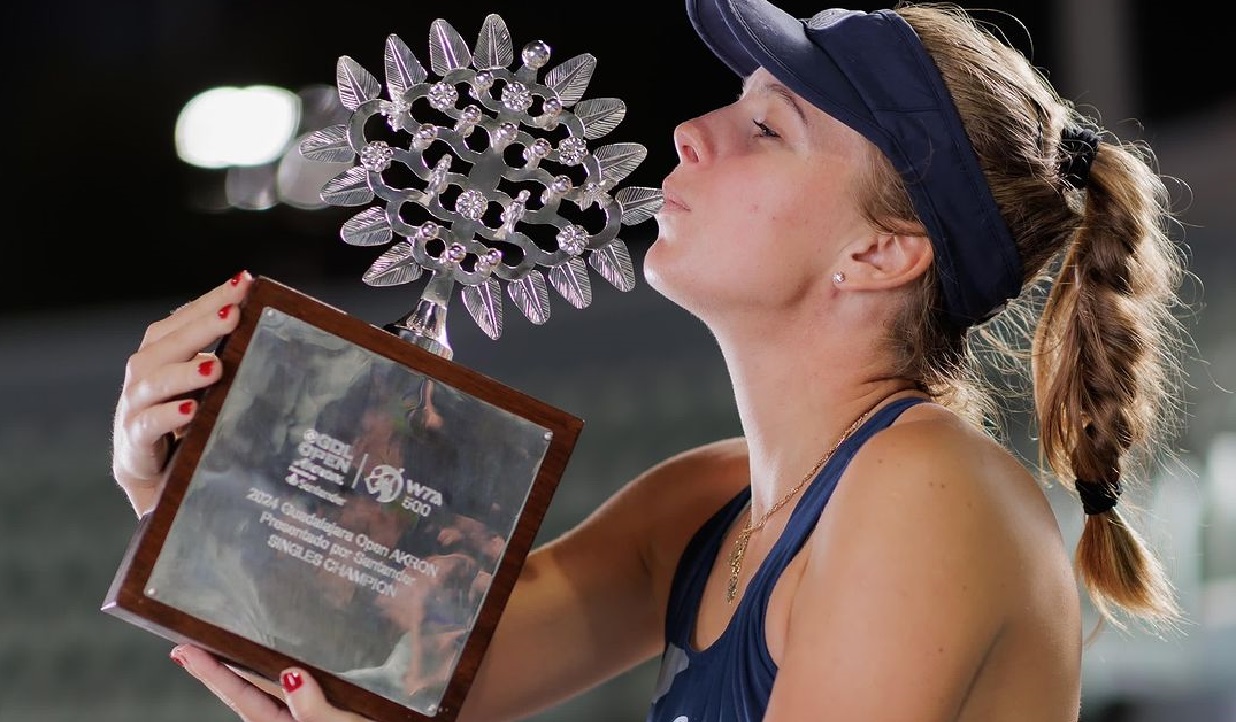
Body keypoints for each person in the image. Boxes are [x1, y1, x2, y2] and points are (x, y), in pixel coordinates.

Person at [109, 0, 1194, 720]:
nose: (691, 132)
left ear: (879, 251)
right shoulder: (710, 500)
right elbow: (394, 658)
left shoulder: (932, 495)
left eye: (769, 128)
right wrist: (195, 480)